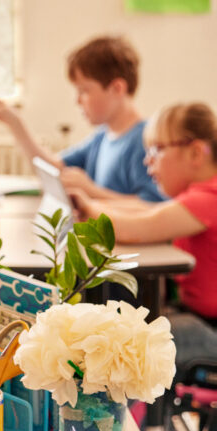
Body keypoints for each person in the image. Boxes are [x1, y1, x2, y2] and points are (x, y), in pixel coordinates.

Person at [68, 102, 217, 376]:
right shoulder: (198, 196)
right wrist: (90, 205)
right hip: (196, 317)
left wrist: (89, 207)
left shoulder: (208, 198)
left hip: (209, 329)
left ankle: (136, 414)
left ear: (196, 152)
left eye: (157, 149)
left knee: (128, 343)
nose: (147, 160)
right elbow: (146, 210)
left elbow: (139, 226)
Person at [0, 36, 164, 203]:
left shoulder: (145, 141)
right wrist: (15, 124)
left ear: (117, 88)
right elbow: (53, 169)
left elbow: (153, 207)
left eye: (84, 91)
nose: (78, 101)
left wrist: (91, 191)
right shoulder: (102, 137)